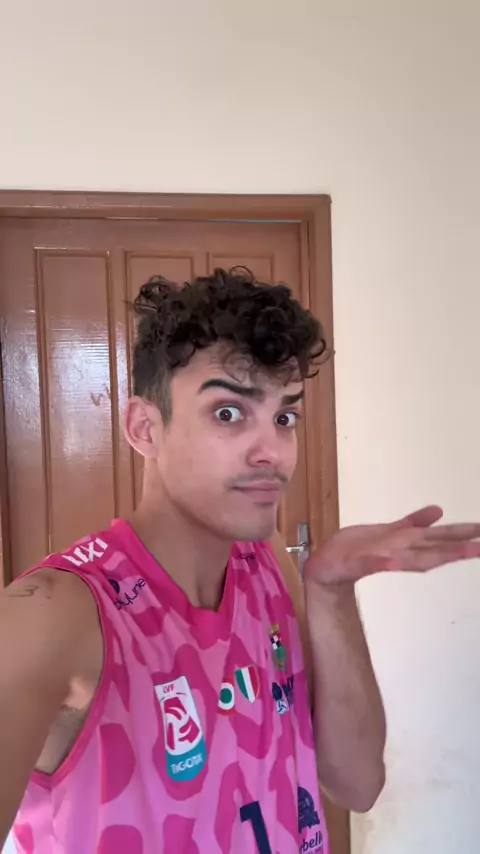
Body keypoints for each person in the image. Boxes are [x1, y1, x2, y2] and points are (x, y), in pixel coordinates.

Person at [1, 268, 479, 854]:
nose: (274, 452)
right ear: (145, 428)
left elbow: (357, 784)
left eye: (285, 417)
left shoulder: (265, 560)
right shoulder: (54, 614)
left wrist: (330, 589)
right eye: (228, 413)